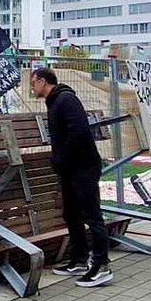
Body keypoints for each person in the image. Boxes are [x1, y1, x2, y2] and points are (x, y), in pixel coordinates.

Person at [30, 67, 112, 287]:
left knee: (91, 215)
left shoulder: (65, 100)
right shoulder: (55, 102)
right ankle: (78, 259)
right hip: (70, 169)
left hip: (83, 166)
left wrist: (61, 157)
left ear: (44, 81)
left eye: (34, 82)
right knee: (72, 214)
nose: (32, 87)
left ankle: (101, 265)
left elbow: (79, 131)